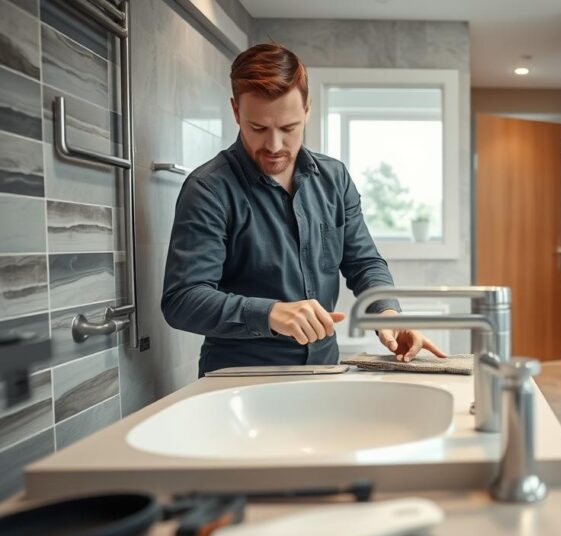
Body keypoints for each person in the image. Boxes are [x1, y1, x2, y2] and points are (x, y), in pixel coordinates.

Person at [161, 43, 445, 377]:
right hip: (239, 380)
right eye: (258, 128)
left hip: (324, 370)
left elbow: (364, 262)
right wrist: (269, 313)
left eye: (289, 128)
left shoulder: (334, 178)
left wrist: (387, 313)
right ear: (236, 111)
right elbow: (182, 300)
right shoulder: (208, 189)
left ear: (307, 110)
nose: (275, 146)